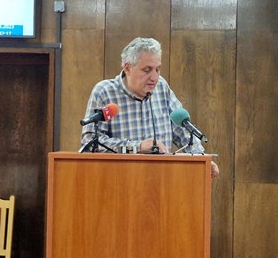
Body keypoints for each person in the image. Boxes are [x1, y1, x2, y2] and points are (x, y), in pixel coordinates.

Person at [80, 36, 220, 178]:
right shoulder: (105, 92)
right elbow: (90, 144)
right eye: (147, 70)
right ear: (128, 68)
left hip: (163, 180)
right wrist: (137, 147)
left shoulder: (161, 87)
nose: (154, 77)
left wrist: (201, 158)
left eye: (157, 69)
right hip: (119, 180)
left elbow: (182, 131)